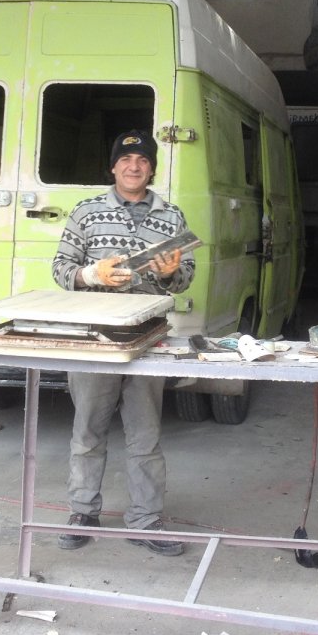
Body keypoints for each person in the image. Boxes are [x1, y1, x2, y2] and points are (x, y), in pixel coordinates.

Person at [50, 129, 196, 556]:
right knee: (88, 432)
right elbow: (60, 269)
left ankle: (146, 520)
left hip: (148, 336)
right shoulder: (86, 212)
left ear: (152, 169)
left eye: (143, 160)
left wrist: (171, 273)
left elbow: (186, 277)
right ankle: (82, 513)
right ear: (113, 167)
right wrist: (90, 275)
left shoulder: (171, 216)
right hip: (95, 336)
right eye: (126, 160)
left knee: (145, 436)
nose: (134, 166)